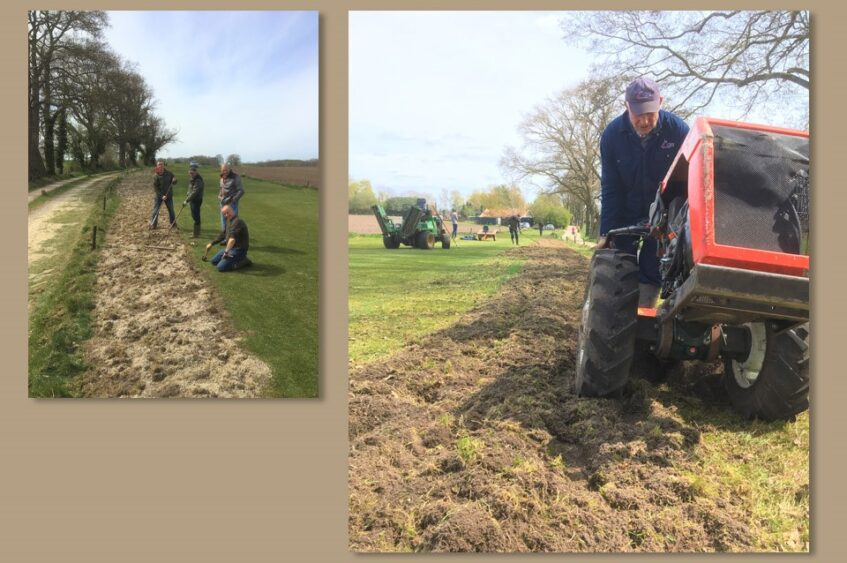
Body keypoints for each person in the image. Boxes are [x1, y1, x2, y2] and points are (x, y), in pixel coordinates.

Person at [598, 77, 689, 307]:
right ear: (626, 105)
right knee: (620, 265)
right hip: (625, 212)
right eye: (638, 113)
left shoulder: (678, 132)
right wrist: (606, 232)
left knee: (653, 269)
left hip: (662, 214)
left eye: (650, 113)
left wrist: (676, 226)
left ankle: (644, 315)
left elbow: (687, 184)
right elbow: (610, 188)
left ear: (661, 102)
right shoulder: (611, 136)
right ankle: (616, 312)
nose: (644, 120)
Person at [205, 205, 252, 272]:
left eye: (228, 212)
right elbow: (223, 234)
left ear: (232, 211)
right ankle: (233, 259)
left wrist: (226, 252)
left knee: (220, 267)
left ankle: (243, 261)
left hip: (239, 250)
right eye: (224, 214)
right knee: (214, 261)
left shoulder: (237, 222)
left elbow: (232, 240)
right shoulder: (229, 221)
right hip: (231, 248)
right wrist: (211, 243)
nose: (226, 215)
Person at [150, 159, 177, 229]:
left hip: (169, 196)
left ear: (164, 165)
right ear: (157, 166)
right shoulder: (155, 176)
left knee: (171, 210)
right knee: (155, 211)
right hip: (159, 197)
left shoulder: (169, 173)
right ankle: (153, 224)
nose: (160, 166)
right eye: (159, 164)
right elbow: (156, 188)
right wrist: (162, 196)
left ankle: (173, 224)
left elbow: (174, 181)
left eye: (162, 164)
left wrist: (174, 180)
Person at [218, 163, 245, 230]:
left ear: (230, 169)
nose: (225, 171)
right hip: (222, 202)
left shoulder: (236, 177)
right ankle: (224, 237)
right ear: (221, 170)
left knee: (233, 221)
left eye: (226, 170)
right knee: (223, 220)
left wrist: (233, 200)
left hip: (232, 204)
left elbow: (241, 191)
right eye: (223, 170)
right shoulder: (221, 177)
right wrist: (219, 195)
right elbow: (222, 188)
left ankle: (233, 237)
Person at [185, 162, 204, 238]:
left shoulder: (198, 180)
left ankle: (196, 234)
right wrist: (187, 193)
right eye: (190, 173)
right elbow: (190, 188)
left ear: (196, 172)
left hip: (196, 200)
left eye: (192, 173)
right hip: (193, 200)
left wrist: (187, 200)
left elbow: (195, 192)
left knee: (196, 216)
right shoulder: (193, 178)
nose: (191, 174)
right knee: (194, 215)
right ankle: (196, 232)